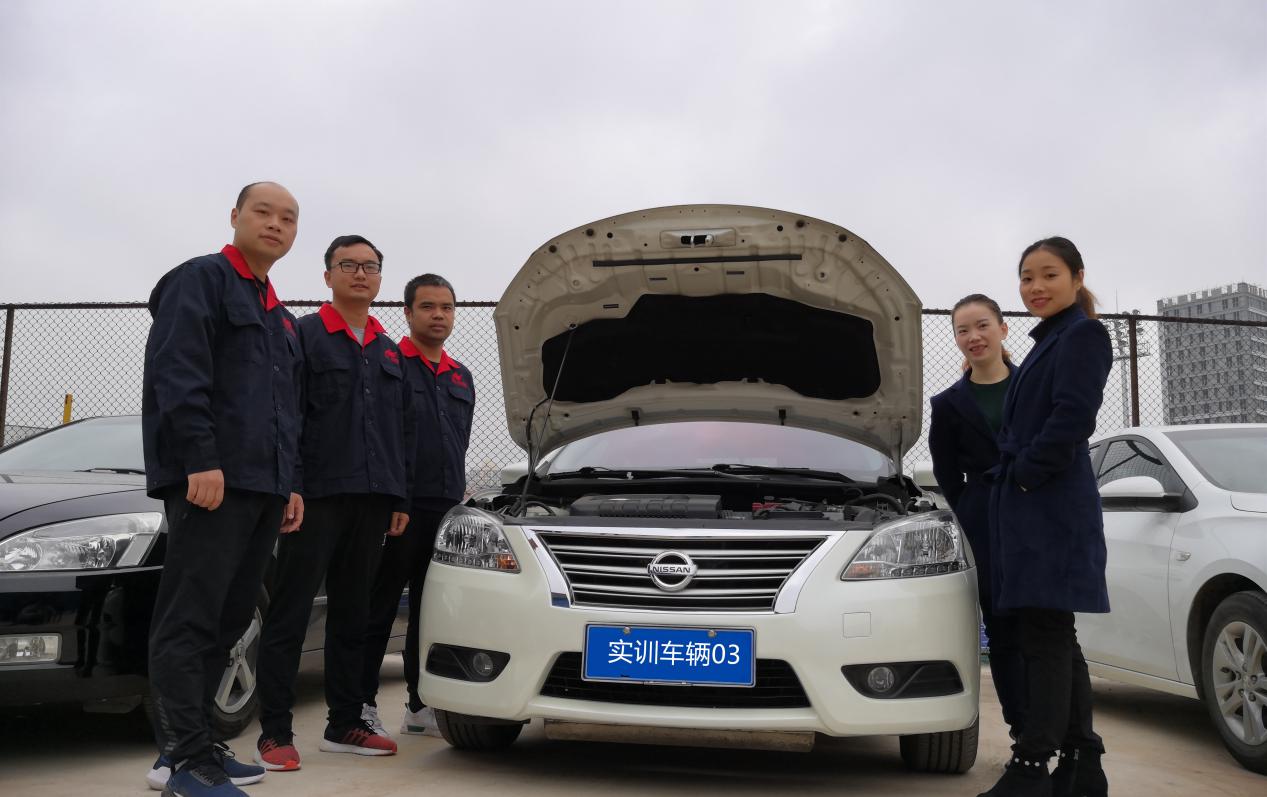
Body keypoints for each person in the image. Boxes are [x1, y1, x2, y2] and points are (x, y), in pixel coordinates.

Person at [142, 181, 304, 797]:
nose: (276, 224)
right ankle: (186, 762)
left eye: (288, 218)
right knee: (189, 617)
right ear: (235, 216)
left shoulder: (278, 315)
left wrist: (289, 484)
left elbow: (285, 408)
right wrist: (200, 459)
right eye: (263, 212)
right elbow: (178, 372)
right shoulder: (201, 280)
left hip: (263, 486)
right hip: (212, 482)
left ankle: (191, 744)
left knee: (231, 618)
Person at [254, 235, 414, 771]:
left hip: (372, 499)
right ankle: (275, 732)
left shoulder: (389, 350)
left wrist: (398, 495)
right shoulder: (303, 336)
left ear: (380, 278)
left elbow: (399, 430)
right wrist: (291, 485)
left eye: (370, 266)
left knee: (354, 613)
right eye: (348, 265)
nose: (360, 274)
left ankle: (345, 723)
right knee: (291, 611)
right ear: (328, 276)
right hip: (314, 497)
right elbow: (285, 415)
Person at [978, 238, 1111, 797]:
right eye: (1027, 276)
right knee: (1054, 632)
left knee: (1045, 637)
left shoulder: (1083, 334)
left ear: (1077, 278)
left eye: (1049, 274)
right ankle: (1082, 765)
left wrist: (1027, 474)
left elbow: (1074, 416)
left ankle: (1031, 767)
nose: (1035, 286)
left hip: (1051, 507)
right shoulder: (1048, 340)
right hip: (1034, 506)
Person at [360, 274, 475, 737]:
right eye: (427, 307)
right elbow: (382, 438)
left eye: (446, 307)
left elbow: (459, 443)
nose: (438, 315)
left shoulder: (461, 375)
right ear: (407, 313)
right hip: (398, 510)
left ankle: (419, 704)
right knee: (380, 606)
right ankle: (361, 704)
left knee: (431, 612)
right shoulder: (390, 365)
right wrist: (395, 499)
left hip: (445, 510)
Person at [929, 294, 1026, 741]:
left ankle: (1064, 736)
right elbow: (947, 472)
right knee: (1002, 628)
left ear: (1003, 329)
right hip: (984, 522)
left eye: (983, 325)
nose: (974, 337)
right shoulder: (948, 404)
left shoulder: (1032, 387)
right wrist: (971, 506)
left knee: (1048, 630)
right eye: (963, 330)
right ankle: (1022, 732)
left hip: (1036, 514)